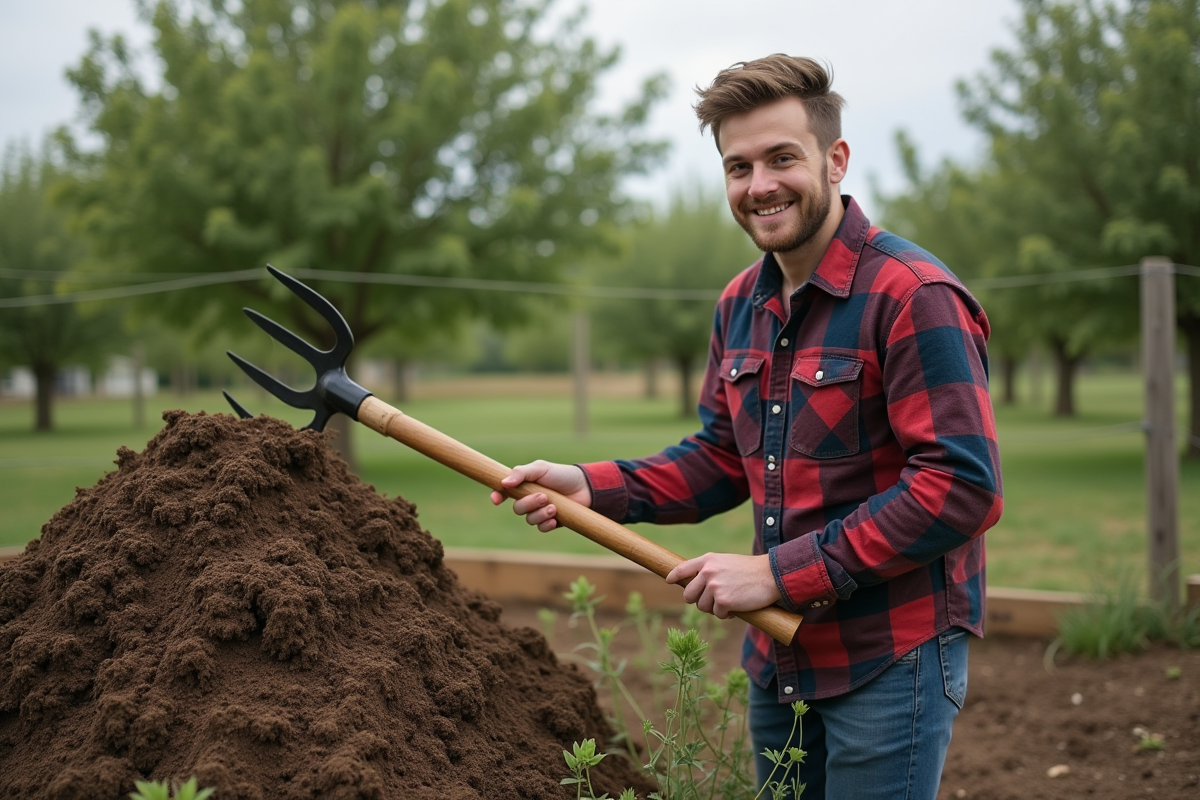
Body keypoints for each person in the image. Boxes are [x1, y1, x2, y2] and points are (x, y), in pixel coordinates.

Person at [491, 54, 1002, 799]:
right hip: (779, 658)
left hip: (891, 658)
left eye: (781, 158)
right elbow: (722, 457)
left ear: (835, 161)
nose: (759, 185)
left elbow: (960, 487)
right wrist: (591, 486)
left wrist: (775, 573)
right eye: (738, 166)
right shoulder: (740, 304)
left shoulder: (911, 294)